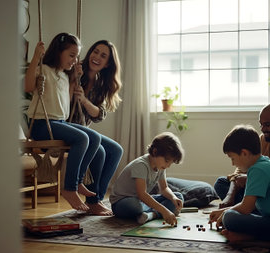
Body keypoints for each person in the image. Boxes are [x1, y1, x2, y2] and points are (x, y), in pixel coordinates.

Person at [25, 32, 100, 212]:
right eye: (71, 55)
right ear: (59, 52)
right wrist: (36, 57)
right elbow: (27, 87)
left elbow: (65, 106)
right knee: (82, 138)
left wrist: (75, 78)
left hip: (59, 122)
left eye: (76, 56)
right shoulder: (43, 70)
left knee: (94, 138)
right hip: (41, 124)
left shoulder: (65, 76)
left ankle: (78, 181)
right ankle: (70, 188)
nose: (75, 60)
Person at [68, 40, 123, 215]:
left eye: (103, 55)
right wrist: (73, 79)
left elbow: (99, 115)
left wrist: (84, 99)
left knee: (116, 150)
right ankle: (93, 201)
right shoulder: (75, 70)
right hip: (68, 126)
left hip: (84, 129)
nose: (97, 57)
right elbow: (63, 103)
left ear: (108, 64)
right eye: (95, 51)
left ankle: (96, 198)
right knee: (99, 150)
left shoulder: (102, 83)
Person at [110, 132, 184, 225]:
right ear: (155, 152)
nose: (168, 165)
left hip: (141, 201)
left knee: (178, 197)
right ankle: (155, 212)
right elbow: (142, 195)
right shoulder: (141, 165)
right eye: (166, 161)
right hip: (122, 203)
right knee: (136, 206)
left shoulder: (160, 166)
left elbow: (164, 188)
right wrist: (165, 210)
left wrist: (173, 198)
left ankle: (151, 215)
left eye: (171, 162)